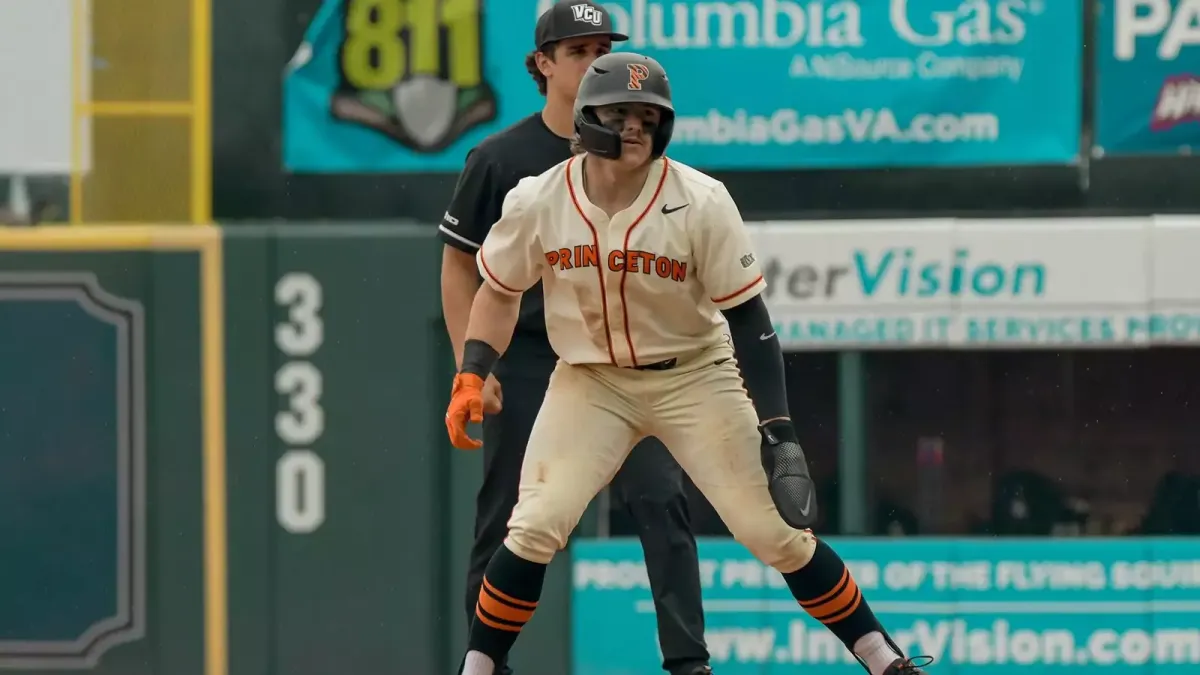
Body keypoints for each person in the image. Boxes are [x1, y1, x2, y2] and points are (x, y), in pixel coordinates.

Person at [444, 51, 934, 675]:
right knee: (534, 524)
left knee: (773, 535)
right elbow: (498, 291)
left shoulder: (701, 200)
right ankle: (478, 669)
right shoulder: (539, 199)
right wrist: (472, 371)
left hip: (693, 374)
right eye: (620, 114)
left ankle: (884, 660)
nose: (634, 129)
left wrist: (777, 428)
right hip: (590, 380)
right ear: (587, 117)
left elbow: (751, 323)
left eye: (648, 118)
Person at [437, 3, 711, 675]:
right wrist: (472, 363)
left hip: (622, 353)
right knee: (512, 513)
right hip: (531, 353)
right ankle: (486, 665)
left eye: (601, 48)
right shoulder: (502, 156)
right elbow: (458, 261)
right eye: (578, 50)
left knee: (660, 497)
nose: (593, 59)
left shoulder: (639, 150)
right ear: (543, 65)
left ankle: (688, 663)